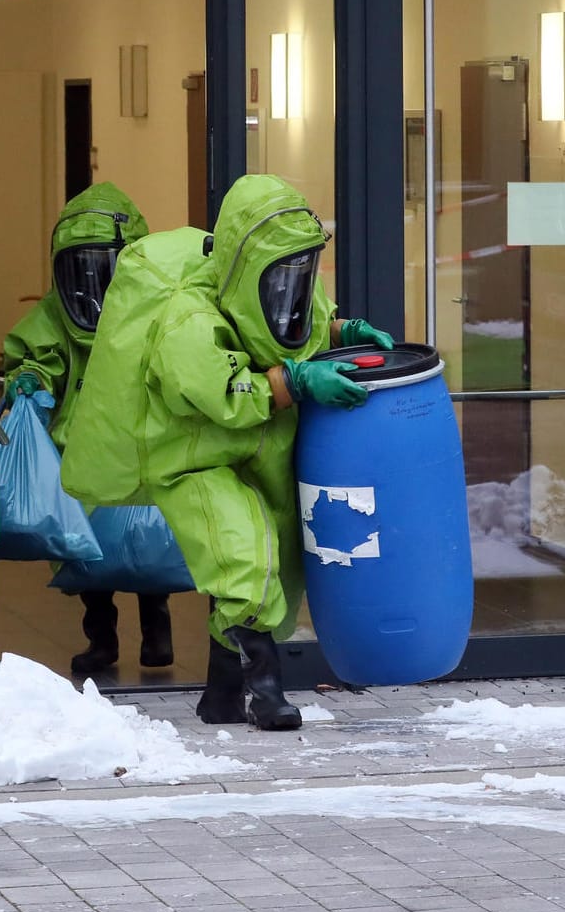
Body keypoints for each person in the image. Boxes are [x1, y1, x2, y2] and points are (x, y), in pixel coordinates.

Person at [60, 175, 394, 731]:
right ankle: (266, 692)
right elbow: (222, 394)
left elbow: (291, 320)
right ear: (243, 266)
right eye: (281, 274)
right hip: (190, 457)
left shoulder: (277, 286)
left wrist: (337, 329)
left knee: (272, 567)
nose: (295, 287)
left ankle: (220, 696)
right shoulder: (187, 319)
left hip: (259, 449)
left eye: (301, 273)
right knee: (243, 553)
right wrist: (296, 382)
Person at [1, 182, 172, 676]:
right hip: (86, 447)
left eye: (107, 268)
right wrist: (29, 379)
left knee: (146, 539)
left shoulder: (157, 308)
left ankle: (151, 626)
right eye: (82, 269)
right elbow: (38, 353)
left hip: (137, 440)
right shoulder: (56, 314)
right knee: (89, 545)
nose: (94, 285)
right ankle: (105, 637)